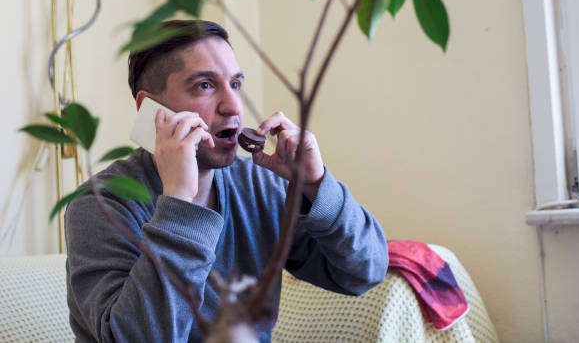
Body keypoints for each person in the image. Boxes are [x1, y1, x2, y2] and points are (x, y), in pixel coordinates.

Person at [64, 20, 388, 342]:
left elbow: (365, 271)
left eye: (235, 84)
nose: (233, 106)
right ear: (152, 110)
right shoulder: (100, 204)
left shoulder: (258, 187)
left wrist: (316, 186)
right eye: (205, 85)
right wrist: (179, 202)